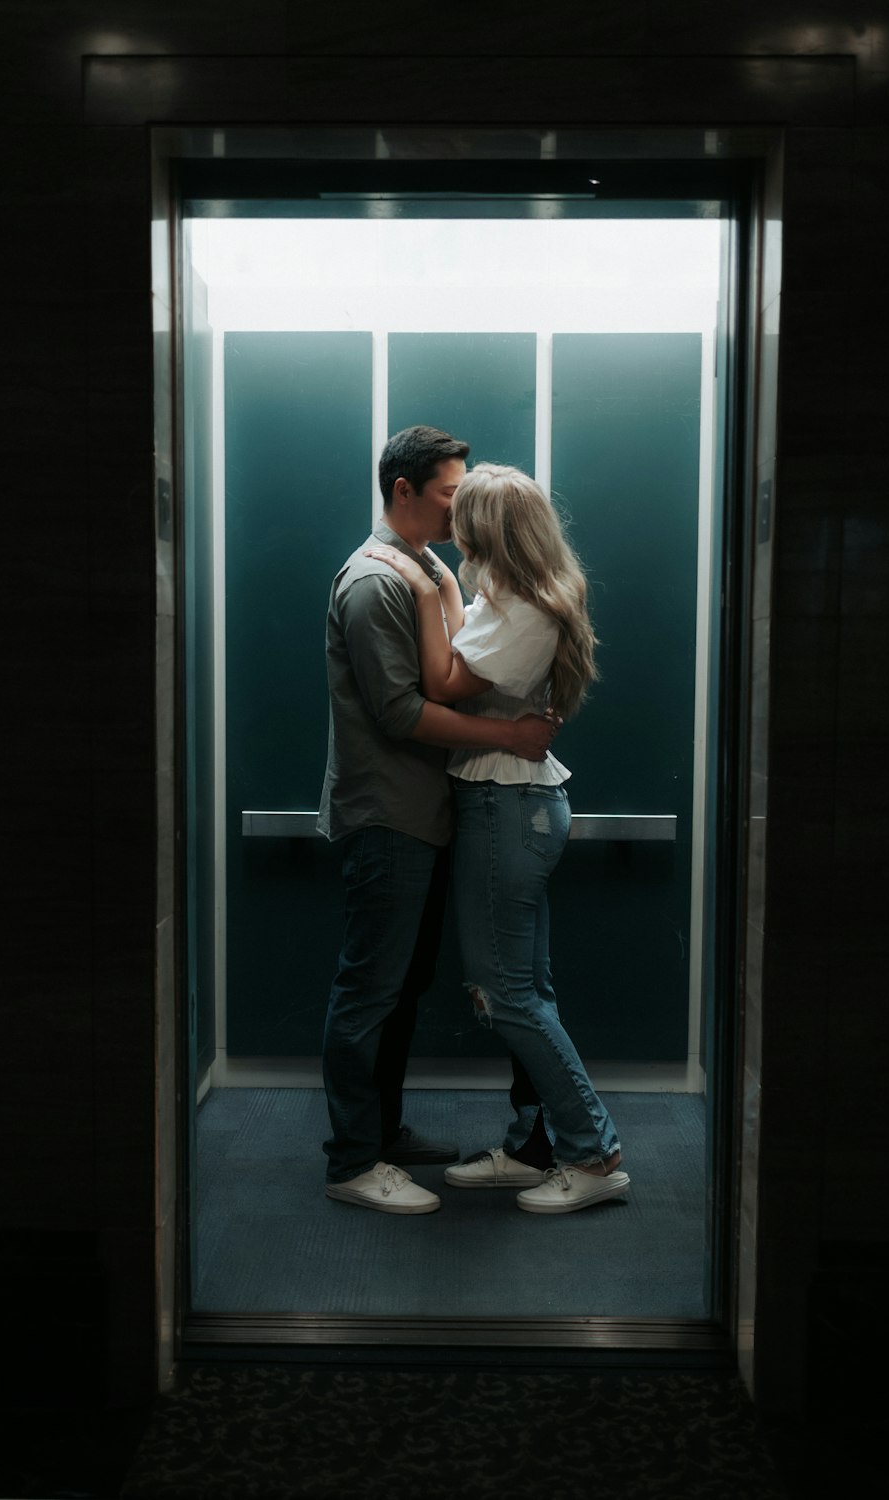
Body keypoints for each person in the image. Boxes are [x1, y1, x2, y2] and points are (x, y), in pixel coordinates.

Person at [365, 462, 629, 1214]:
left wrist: (428, 585)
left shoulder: (521, 611)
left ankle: (594, 1151)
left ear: (489, 529)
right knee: (525, 989)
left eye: (464, 516)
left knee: (506, 993)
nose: (453, 528)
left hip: (503, 807)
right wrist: (451, 585)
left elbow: (443, 684)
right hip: (510, 805)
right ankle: (538, 1145)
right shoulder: (512, 596)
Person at [319, 429, 559, 1215]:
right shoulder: (373, 581)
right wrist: (511, 737)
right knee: (370, 990)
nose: (462, 509)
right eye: (451, 495)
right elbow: (401, 711)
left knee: (403, 987)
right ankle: (353, 1162)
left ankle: (382, 1132)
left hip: (422, 816)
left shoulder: (425, 570)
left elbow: (453, 667)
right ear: (402, 491)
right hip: (388, 816)